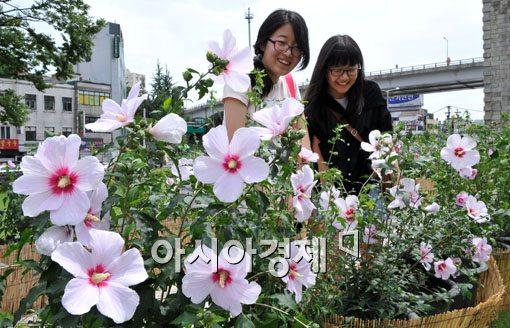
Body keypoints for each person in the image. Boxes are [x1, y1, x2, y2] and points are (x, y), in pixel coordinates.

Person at [304, 35, 393, 194]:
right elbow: (314, 158)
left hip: (370, 193)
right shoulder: (313, 108)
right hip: (332, 197)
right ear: (324, 69)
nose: (344, 77)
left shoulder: (371, 94)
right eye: (337, 70)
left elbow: (387, 139)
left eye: (351, 69)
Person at [222, 9, 311, 149]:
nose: (288, 52)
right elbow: (236, 145)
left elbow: (304, 146)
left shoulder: (290, 83)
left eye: (297, 47)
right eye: (281, 42)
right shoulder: (241, 79)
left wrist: (304, 169)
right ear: (263, 43)